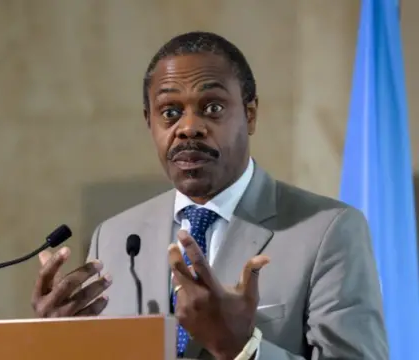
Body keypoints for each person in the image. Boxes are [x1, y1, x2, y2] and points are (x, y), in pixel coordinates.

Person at [30, 31, 388, 359]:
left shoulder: (329, 232)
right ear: (149, 122)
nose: (188, 128)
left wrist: (243, 349)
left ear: (250, 115)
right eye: (170, 113)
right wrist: (59, 342)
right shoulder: (114, 237)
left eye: (212, 108)